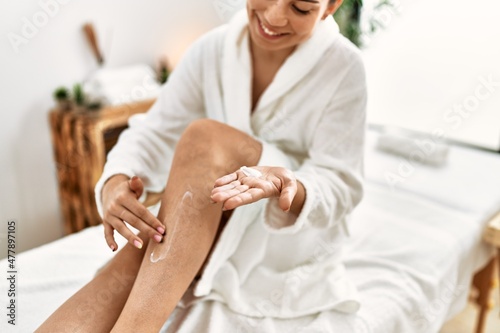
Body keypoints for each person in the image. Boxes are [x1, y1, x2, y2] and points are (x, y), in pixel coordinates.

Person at [37, 0, 366, 331]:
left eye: (300, 7)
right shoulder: (212, 49)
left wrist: (288, 186)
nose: (275, 16)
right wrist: (114, 183)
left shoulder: (344, 68)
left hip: (275, 246)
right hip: (200, 219)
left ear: (330, 6)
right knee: (129, 263)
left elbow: (341, 183)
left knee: (204, 136)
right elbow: (155, 131)